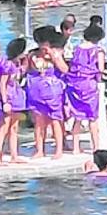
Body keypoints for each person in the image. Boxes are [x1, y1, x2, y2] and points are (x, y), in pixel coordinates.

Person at [26, 27, 69, 160]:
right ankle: (39, 150)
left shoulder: (55, 54)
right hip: (36, 91)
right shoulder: (32, 55)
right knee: (39, 122)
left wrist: (53, 56)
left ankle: (59, 149)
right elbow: (27, 70)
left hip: (53, 91)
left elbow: (65, 69)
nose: (42, 45)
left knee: (56, 120)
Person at [66, 24, 106, 155]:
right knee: (92, 118)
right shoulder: (98, 50)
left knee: (77, 116)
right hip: (89, 85)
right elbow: (100, 69)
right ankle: (96, 147)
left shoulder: (77, 49)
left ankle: (76, 148)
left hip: (74, 84)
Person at [0, 37, 30, 165]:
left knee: (14, 128)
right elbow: (2, 84)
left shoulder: (18, 64)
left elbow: (25, 69)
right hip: (9, 98)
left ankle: (14, 155)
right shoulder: (7, 65)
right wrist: (4, 102)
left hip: (17, 98)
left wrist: (25, 59)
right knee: (4, 128)